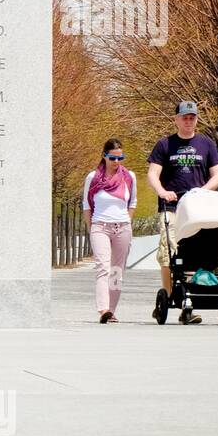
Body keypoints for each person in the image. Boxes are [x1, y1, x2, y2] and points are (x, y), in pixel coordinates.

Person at [147, 100, 218, 325]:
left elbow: (217, 176)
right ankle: (170, 295)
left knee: (196, 251)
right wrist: (163, 191)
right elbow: (152, 174)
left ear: (196, 119)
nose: (188, 121)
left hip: (197, 208)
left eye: (192, 117)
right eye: (184, 117)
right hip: (171, 207)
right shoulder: (164, 145)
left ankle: (189, 301)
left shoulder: (207, 144)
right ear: (177, 119)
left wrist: (202, 191)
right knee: (168, 250)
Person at [83, 138, 136, 323]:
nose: (116, 162)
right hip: (100, 226)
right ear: (104, 156)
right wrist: (92, 228)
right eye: (112, 158)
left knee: (116, 271)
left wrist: (127, 221)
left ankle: (112, 310)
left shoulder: (129, 177)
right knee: (103, 267)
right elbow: (86, 205)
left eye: (120, 158)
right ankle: (103, 309)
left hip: (122, 227)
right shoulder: (93, 177)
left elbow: (132, 203)